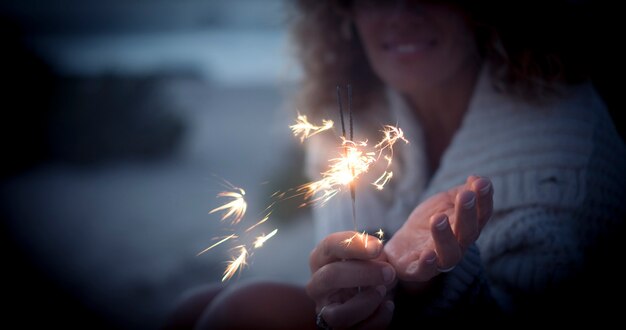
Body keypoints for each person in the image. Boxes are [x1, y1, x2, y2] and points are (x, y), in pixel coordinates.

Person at [167, 0, 626, 328]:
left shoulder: (559, 135)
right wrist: (353, 289)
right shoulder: (346, 114)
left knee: (244, 309)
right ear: (343, 9)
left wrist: (431, 283)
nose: (402, 12)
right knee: (193, 307)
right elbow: (340, 297)